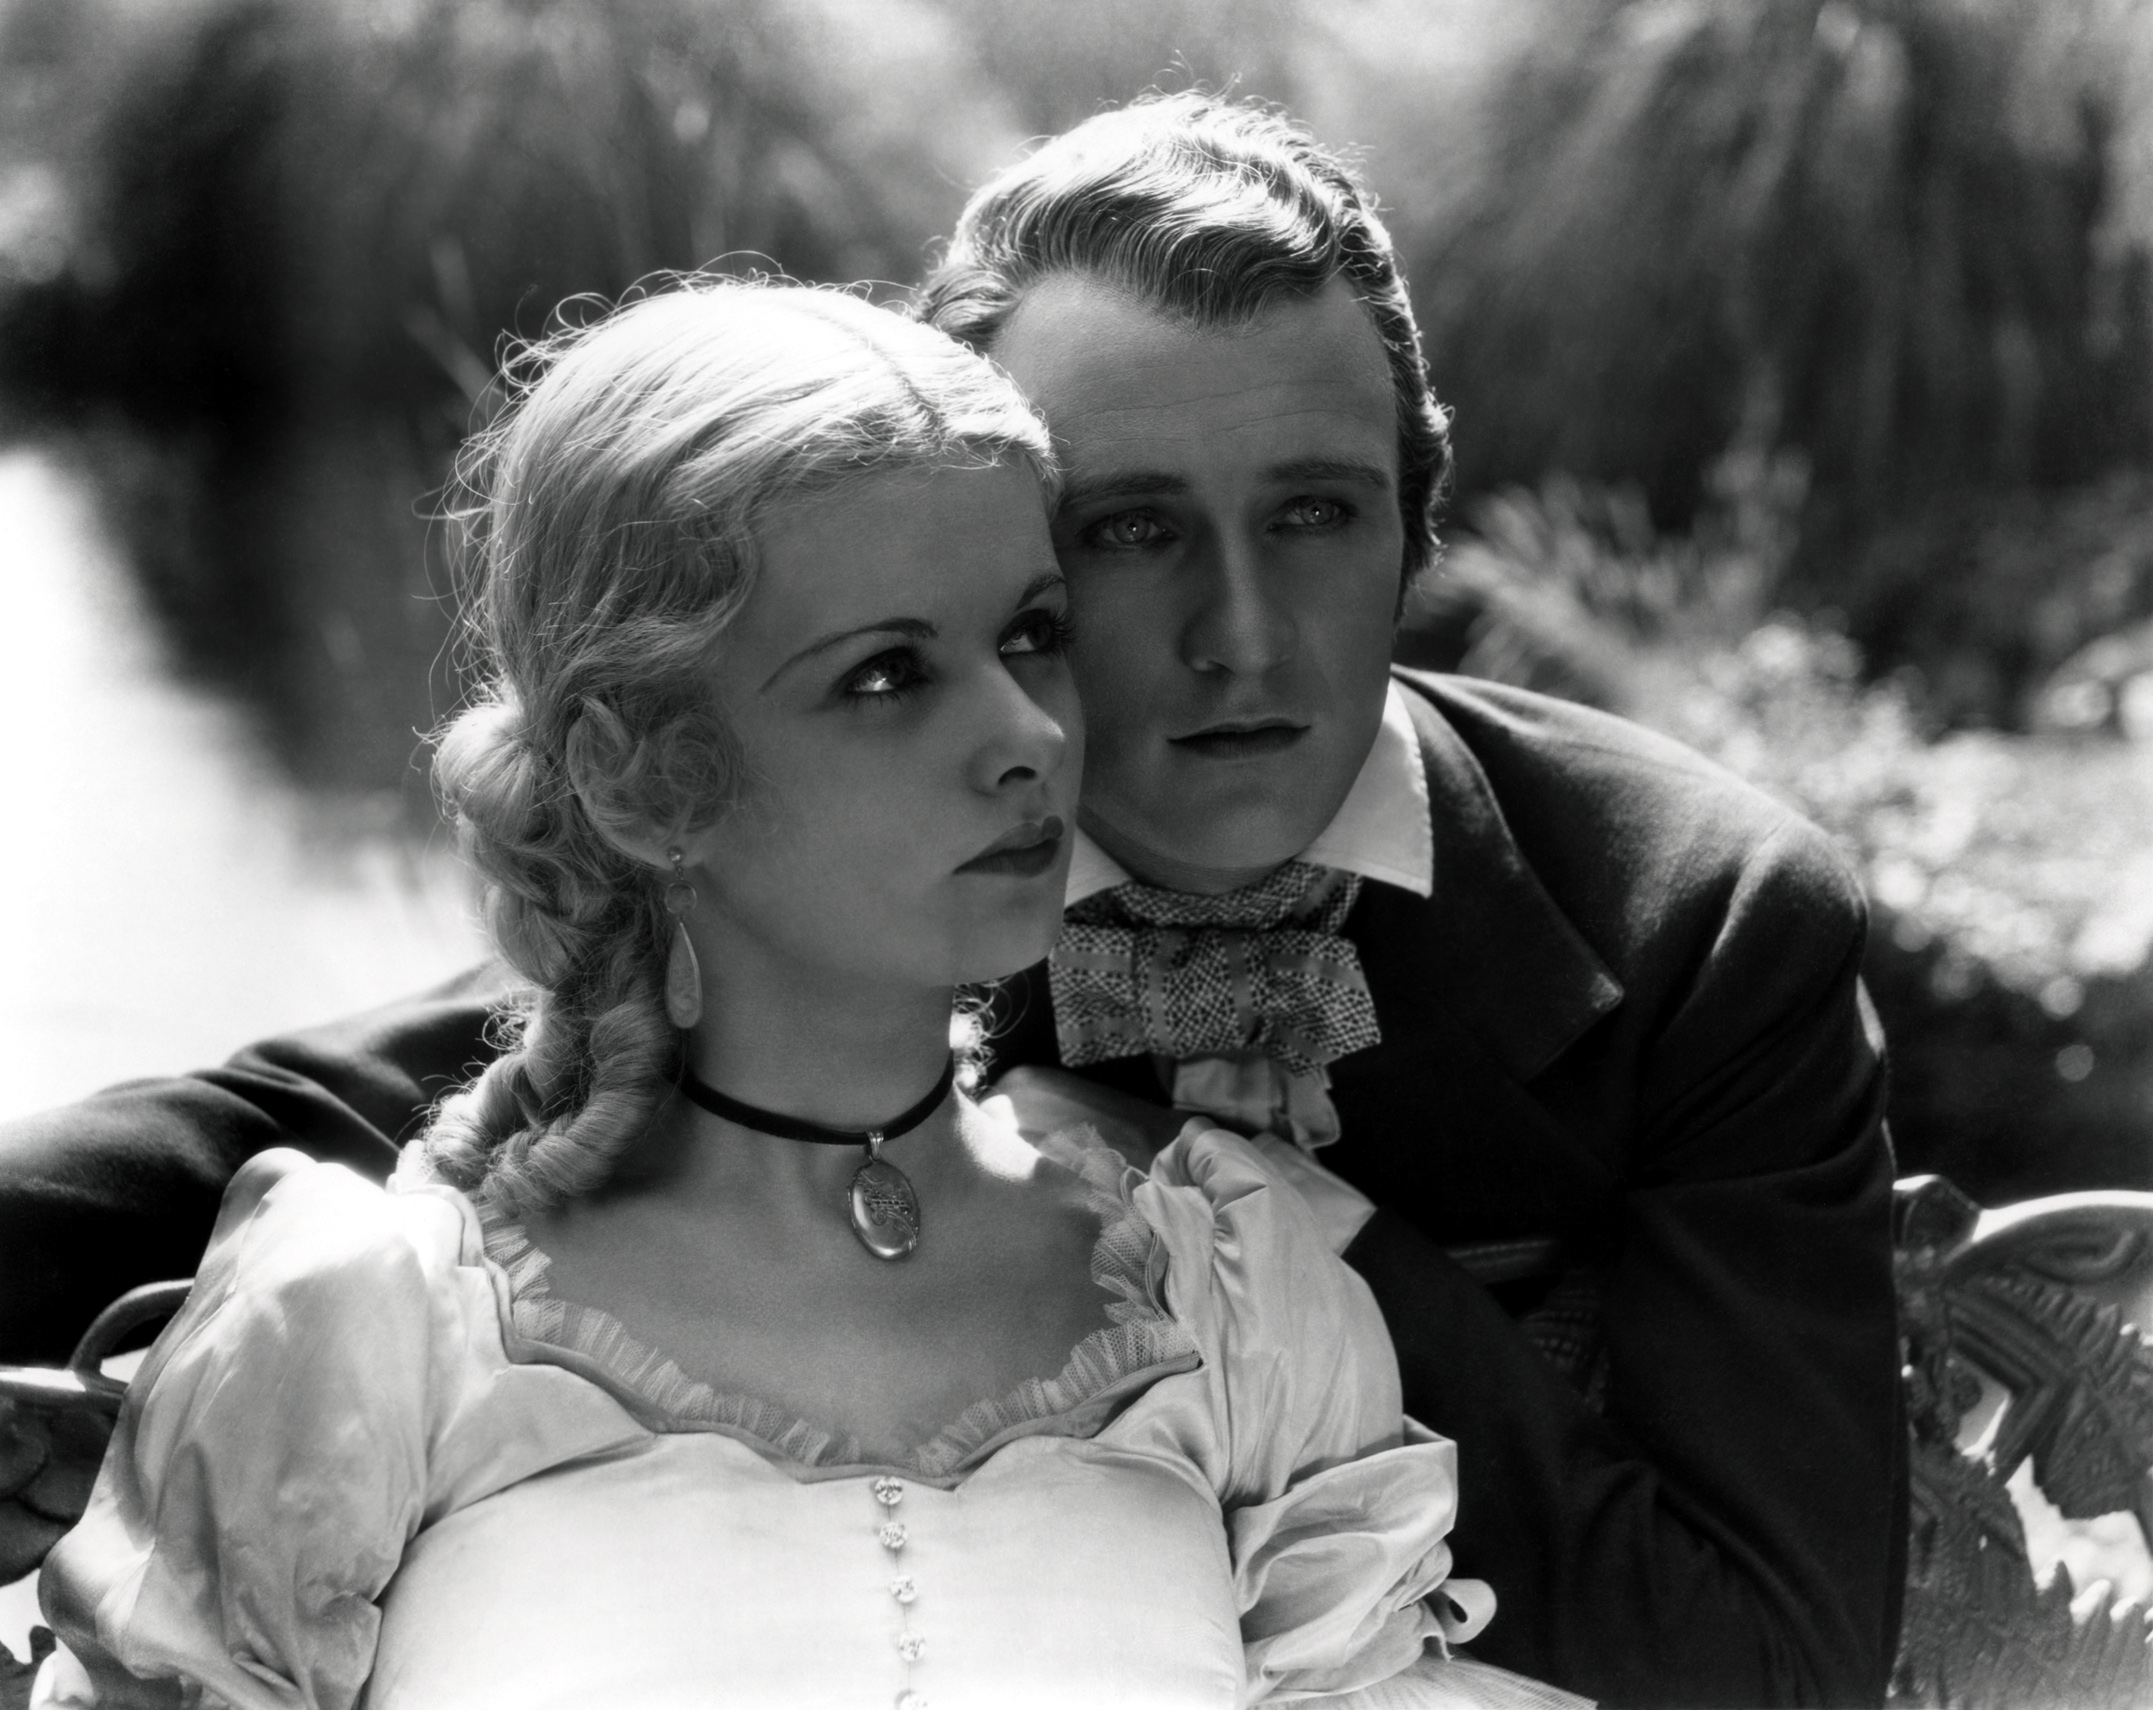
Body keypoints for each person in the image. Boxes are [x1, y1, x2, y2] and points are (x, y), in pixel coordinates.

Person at [0, 97, 1904, 1708]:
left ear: (1417, 519)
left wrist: (1235, 1205)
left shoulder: (1692, 920)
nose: (1239, 636)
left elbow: (1775, 1655)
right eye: (1124, 535)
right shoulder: (852, 866)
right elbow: (428, 1092)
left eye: (1314, 511)